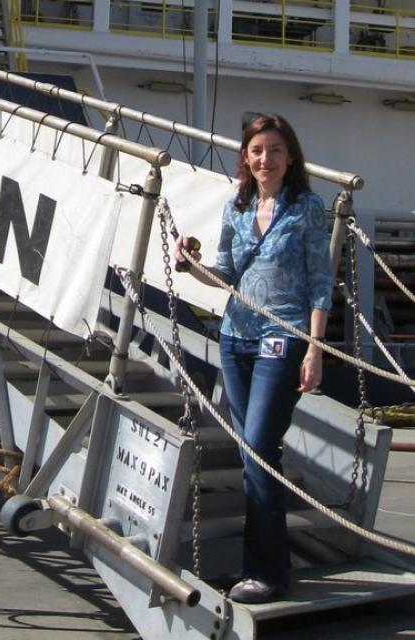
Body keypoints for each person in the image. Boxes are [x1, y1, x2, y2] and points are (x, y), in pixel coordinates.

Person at [174, 113, 333, 604]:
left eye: (276, 150)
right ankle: (272, 567)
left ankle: (264, 571)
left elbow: (320, 283)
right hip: (236, 337)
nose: (266, 159)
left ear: (291, 157)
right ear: (246, 157)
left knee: (260, 449)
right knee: (254, 457)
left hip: (282, 338)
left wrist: (315, 349)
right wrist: (190, 264)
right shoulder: (236, 208)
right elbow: (225, 274)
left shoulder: (307, 207)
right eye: (257, 150)